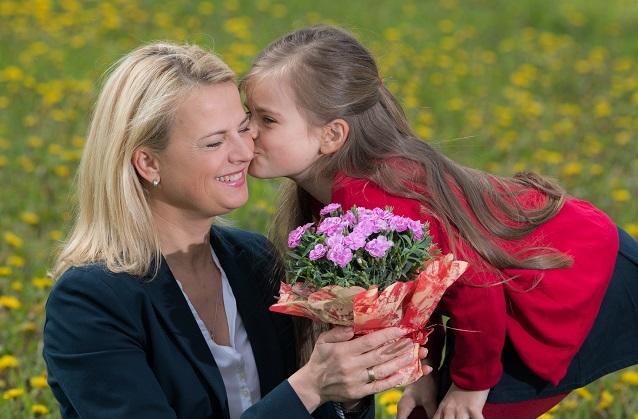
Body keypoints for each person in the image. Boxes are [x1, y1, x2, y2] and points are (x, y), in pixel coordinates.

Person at [242, 25, 638, 419]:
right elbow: (416, 286)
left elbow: (475, 286)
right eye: (249, 114)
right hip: (520, 288)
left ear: (331, 135)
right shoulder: (330, 194)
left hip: (571, 277)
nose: (248, 131)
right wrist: (419, 369)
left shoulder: (377, 197)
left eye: (268, 120)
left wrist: (470, 384)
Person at [42, 42, 427, 419]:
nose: (243, 152)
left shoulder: (254, 260)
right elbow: (301, 396)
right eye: (214, 142)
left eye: (244, 129)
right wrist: (309, 387)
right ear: (147, 163)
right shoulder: (89, 302)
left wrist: (348, 391)